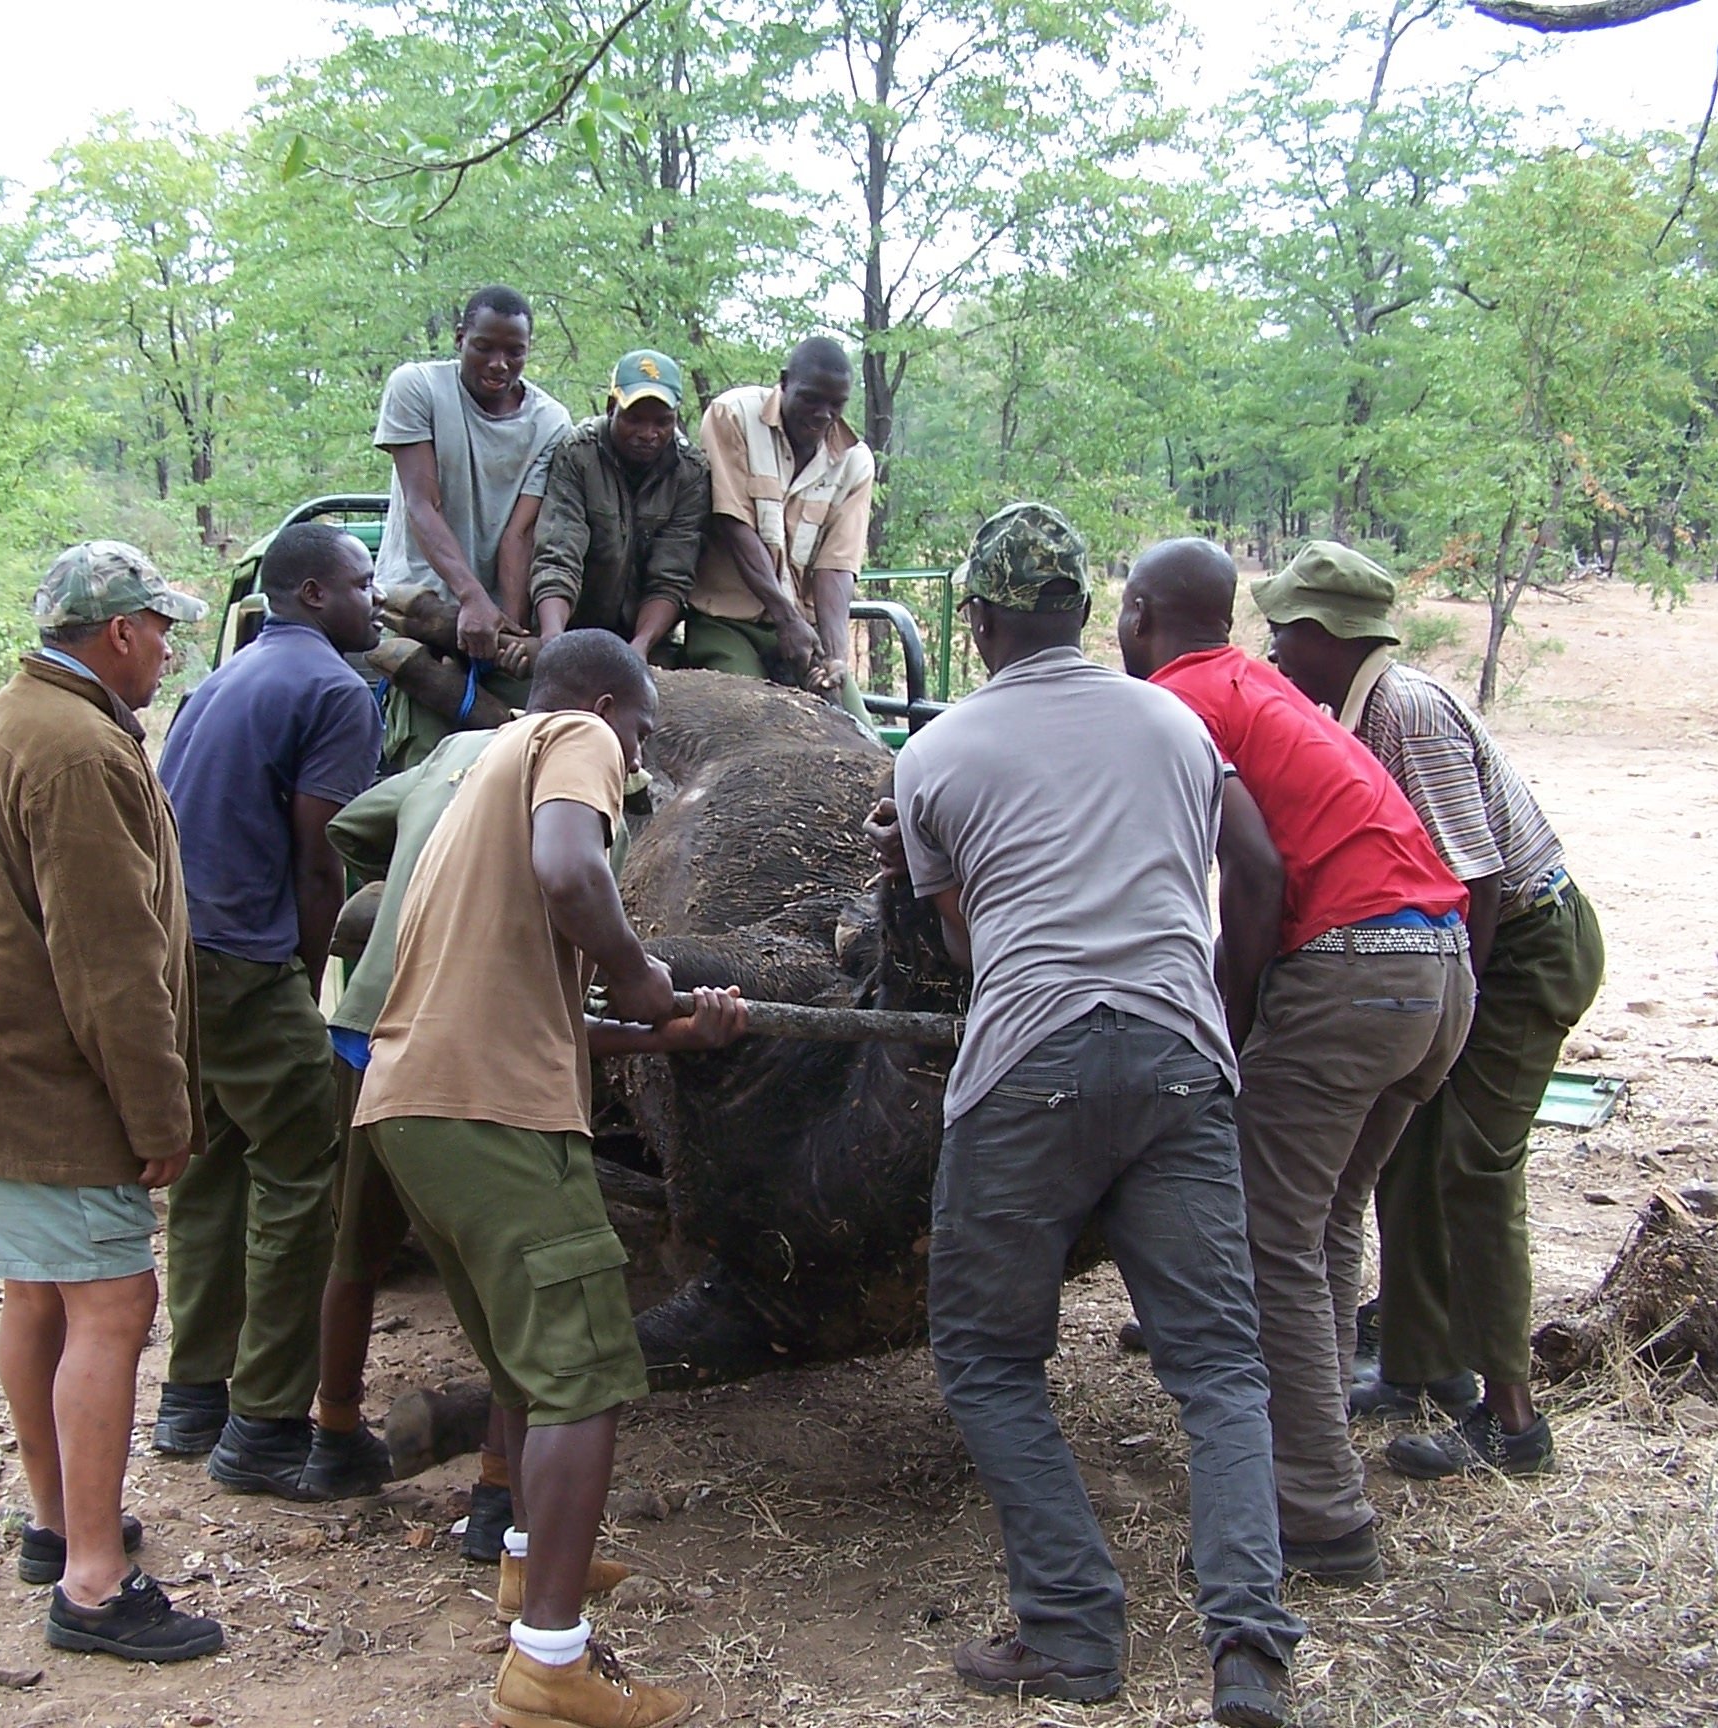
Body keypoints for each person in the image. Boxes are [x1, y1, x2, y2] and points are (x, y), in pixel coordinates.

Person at [866, 505, 1301, 1727]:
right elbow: (1241, 867)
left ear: (979, 621)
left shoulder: (935, 753)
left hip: (1028, 1065)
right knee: (1221, 1368)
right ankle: (1249, 1650)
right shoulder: (1176, 722)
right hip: (1181, 1057)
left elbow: (966, 945)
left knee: (988, 1360)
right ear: (1083, 610)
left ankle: (1069, 1629)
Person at [355, 629, 746, 1728]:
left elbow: (544, 1012)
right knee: (585, 1376)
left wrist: (669, 1031)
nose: (638, 759)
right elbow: (573, 873)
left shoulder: (475, 772)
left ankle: (530, 1562)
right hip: (493, 1114)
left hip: (415, 1104)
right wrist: (642, 974)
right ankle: (550, 1665)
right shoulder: (573, 734)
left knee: (531, 1372)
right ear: (608, 707)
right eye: (642, 735)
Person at [1119, 537, 1476, 1586]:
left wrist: (1226, 1021)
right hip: (1436, 969)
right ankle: (1310, 1455)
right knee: (1322, 1223)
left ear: (1138, 615)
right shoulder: (1255, 686)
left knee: (1266, 1235)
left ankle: (1318, 1513)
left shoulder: (1178, 704)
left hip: (1353, 971)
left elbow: (1257, 872)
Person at [0, 541, 221, 1662]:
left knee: (40, 1294)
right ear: (120, 632)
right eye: (162, 630)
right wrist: (160, 1116)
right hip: (43, 1083)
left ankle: (56, 1523)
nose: (170, 650)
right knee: (114, 1305)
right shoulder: (79, 748)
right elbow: (109, 962)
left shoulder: (20, 712)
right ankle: (93, 1583)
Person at [1254, 541, 1605, 1477]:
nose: (1273, 648)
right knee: (1404, 1150)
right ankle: (1422, 1364)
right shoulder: (1353, 711)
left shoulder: (1406, 712)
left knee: (1473, 1166)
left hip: (1520, 944)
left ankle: (1513, 1419)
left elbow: (1475, 878)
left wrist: (1456, 1012)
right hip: (1470, 946)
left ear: (1329, 633)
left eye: (1284, 629)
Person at [150, 522, 384, 1500]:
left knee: (211, 1168)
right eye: (363, 581)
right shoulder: (334, 690)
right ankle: (266, 1425)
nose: (378, 598)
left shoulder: (226, 677)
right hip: (247, 960)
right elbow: (322, 856)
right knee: (302, 1173)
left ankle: (191, 1396)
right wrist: (307, 972)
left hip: (176, 954)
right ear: (316, 594)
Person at [307, 724, 515, 1532]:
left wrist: (404, 885)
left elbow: (351, 825)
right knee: (504, 1271)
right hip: (460, 1044)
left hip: (367, 1028)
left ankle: (333, 1435)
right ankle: (499, 1494)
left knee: (356, 1248)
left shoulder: (456, 750)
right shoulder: (589, 774)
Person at [372, 284, 572, 768]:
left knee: (526, 748)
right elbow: (423, 504)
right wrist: (470, 598)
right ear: (461, 338)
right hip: (418, 608)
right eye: (484, 347)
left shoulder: (550, 421)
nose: (499, 364)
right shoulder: (417, 387)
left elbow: (519, 535)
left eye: (514, 352)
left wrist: (512, 629)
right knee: (428, 761)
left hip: (495, 622)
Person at [683, 336, 875, 724]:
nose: (823, 415)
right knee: (753, 723)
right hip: (727, 622)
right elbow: (734, 526)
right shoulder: (733, 416)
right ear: (784, 382)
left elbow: (836, 567)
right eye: (810, 399)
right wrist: (786, 618)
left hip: (806, 630)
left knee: (858, 732)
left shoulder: (855, 462)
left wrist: (834, 657)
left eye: (836, 405)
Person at [528, 349, 708, 661]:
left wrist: (639, 648)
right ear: (612, 407)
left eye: (662, 422)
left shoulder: (690, 472)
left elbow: (671, 577)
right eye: (634, 419)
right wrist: (553, 638)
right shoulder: (578, 453)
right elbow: (558, 554)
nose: (648, 434)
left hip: (646, 638)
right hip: (574, 626)